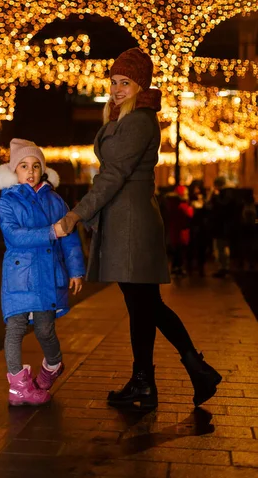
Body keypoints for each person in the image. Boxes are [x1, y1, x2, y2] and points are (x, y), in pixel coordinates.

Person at [58, 47, 222, 410]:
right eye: (114, 82)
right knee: (144, 306)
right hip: (128, 222)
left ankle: (189, 371)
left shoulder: (137, 121)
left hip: (130, 224)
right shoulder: (126, 119)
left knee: (146, 305)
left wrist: (75, 214)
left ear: (140, 84)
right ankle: (148, 380)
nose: (117, 89)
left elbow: (112, 175)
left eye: (125, 82)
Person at [0, 138, 85, 406]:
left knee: (45, 329)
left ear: (42, 169)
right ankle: (17, 386)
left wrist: (76, 270)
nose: (30, 171)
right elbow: (13, 235)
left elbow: (69, 239)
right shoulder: (7, 201)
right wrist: (50, 232)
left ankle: (53, 365)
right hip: (20, 277)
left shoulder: (55, 200)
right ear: (14, 170)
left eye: (36, 165)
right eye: (24, 166)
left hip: (47, 275)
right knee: (15, 328)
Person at [166, 185, 194, 277]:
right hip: (182, 230)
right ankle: (180, 267)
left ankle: (175, 267)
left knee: (176, 250)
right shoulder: (182, 205)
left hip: (174, 229)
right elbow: (190, 214)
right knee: (181, 251)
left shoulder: (170, 203)